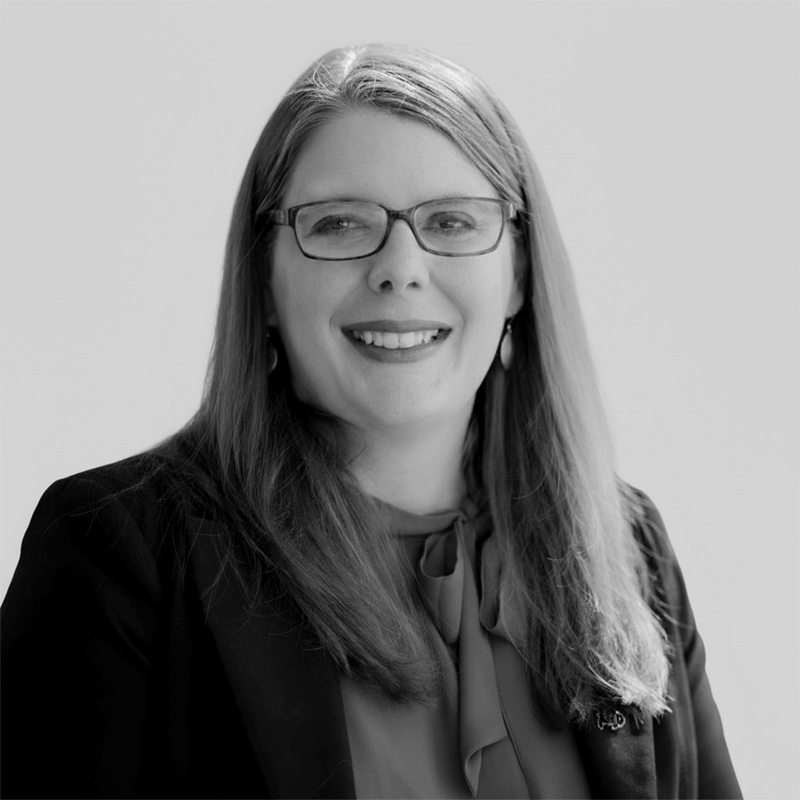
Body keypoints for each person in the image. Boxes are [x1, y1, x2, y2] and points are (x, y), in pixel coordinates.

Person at [0, 44, 741, 800]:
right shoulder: (118, 555)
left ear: (518, 272)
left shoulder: (628, 547)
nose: (401, 267)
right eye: (340, 224)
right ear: (263, 274)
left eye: (452, 221)